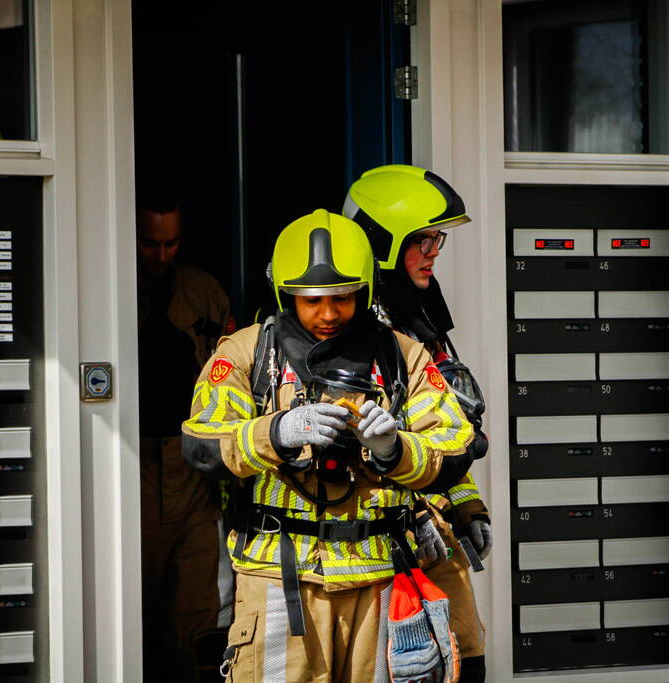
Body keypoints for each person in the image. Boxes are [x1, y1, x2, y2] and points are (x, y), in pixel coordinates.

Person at [182, 209, 476, 682]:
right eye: (311, 300)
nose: (328, 314)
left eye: (343, 298)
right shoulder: (245, 353)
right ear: (285, 293)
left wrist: (393, 449)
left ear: (364, 291)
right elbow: (200, 447)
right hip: (278, 579)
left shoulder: (402, 354)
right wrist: (276, 432)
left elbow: (456, 448)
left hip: (380, 575)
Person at [345, 164, 493, 683]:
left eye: (437, 240)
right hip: (369, 539)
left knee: (465, 649)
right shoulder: (352, 330)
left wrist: (467, 502)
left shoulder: (416, 315)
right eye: (422, 239)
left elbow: (445, 428)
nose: (434, 251)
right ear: (382, 241)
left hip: (430, 520)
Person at [136, 188, 232, 682]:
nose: (161, 255)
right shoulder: (107, 281)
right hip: (130, 459)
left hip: (192, 463)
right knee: (134, 605)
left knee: (196, 613)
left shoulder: (204, 292)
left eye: (171, 244)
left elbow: (236, 368)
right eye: (151, 244)